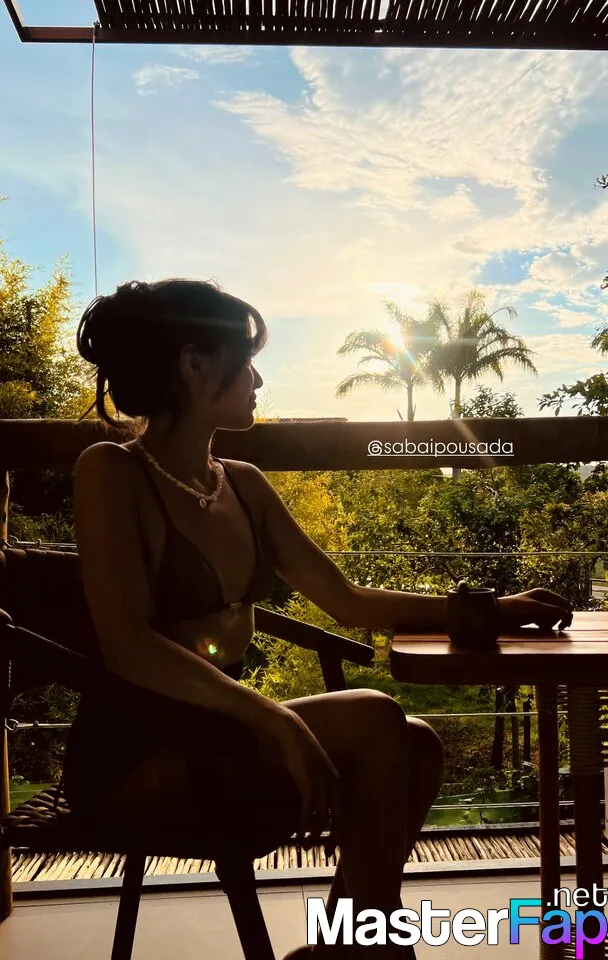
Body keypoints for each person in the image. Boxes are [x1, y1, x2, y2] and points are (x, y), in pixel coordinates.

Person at [61, 278, 572, 960]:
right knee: (378, 719)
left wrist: (492, 610)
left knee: (419, 745)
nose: (258, 379)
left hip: (221, 737)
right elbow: (129, 646)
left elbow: (348, 600)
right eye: (246, 362)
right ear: (194, 365)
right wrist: (275, 719)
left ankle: (351, 945)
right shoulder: (111, 472)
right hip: (134, 760)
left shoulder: (242, 483)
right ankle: (375, 952)